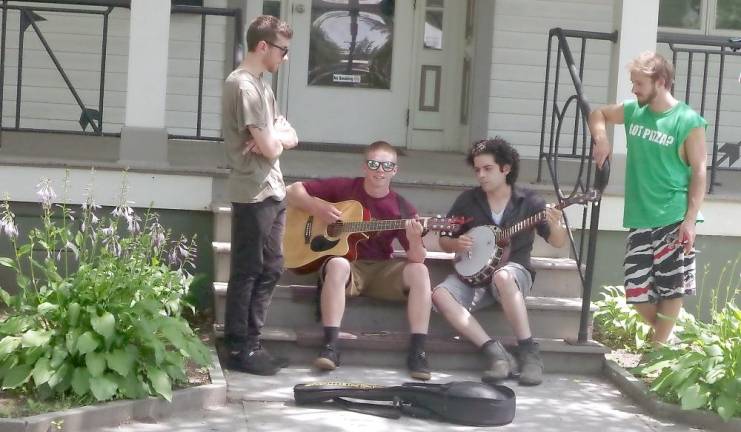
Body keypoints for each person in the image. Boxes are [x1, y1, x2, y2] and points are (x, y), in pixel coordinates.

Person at [285, 141, 434, 380]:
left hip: (382, 271)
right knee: (336, 263)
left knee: (421, 272)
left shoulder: (403, 208)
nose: (380, 170)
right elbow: (292, 191)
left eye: (387, 165)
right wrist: (317, 208)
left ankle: (418, 351)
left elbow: (417, 258)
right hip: (348, 269)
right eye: (374, 164)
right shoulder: (345, 188)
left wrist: (415, 239)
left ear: (395, 170)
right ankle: (331, 346)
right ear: (364, 167)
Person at [588, 51, 707, 346]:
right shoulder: (633, 111)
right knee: (636, 291)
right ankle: (668, 339)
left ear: (661, 82)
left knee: (671, 288)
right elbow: (598, 113)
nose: (633, 90)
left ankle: (657, 350)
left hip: (673, 215)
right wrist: (602, 139)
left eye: (638, 83)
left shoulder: (688, 121)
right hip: (640, 216)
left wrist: (690, 220)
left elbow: (699, 173)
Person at [432, 137, 568, 386]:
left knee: (503, 275)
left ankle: (529, 353)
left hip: (513, 276)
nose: (481, 175)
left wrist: (556, 223)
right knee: (440, 294)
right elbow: (444, 240)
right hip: (474, 278)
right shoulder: (468, 200)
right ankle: (496, 353)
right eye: (477, 170)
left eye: (488, 169)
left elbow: (558, 242)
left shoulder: (530, 203)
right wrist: (456, 243)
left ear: (505, 168)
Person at [221, 15, 298, 375]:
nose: (286, 57)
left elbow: (286, 136)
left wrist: (275, 139)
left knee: (271, 266)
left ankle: (253, 343)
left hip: (274, 188)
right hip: (253, 191)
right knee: (248, 269)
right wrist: (274, 140)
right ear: (263, 46)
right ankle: (238, 348)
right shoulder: (244, 87)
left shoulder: (263, 86)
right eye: (283, 49)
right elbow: (269, 145)